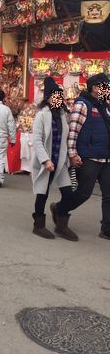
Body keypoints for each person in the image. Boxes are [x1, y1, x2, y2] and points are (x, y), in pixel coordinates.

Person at [51, 72, 110, 240]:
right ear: (95, 87)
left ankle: (107, 229)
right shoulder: (82, 104)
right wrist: (72, 154)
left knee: (109, 194)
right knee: (84, 193)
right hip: (89, 156)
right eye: (105, 86)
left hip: (106, 157)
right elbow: (73, 131)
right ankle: (60, 209)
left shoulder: (105, 106)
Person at [31, 77, 74, 239]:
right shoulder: (42, 115)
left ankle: (61, 224)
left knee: (68, 193)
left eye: (59, 96)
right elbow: (37, 140)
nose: (58, 99)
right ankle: (38, 225)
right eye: (54, 96)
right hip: (47, 162)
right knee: (42, 193)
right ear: (48, 98)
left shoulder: (63, 115)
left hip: (60, 161)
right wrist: (45, 159)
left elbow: (66, 139)